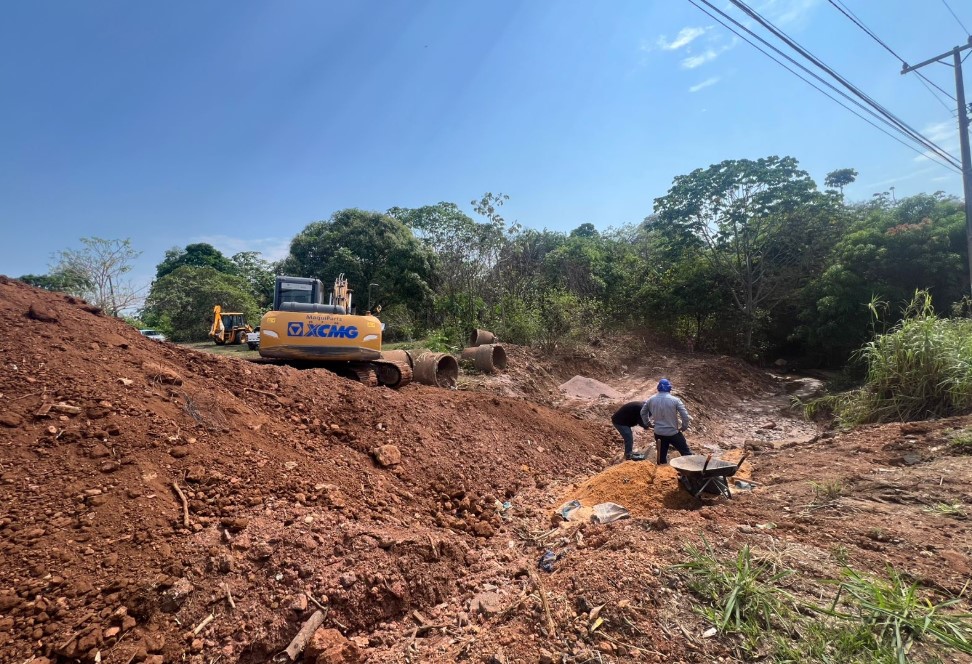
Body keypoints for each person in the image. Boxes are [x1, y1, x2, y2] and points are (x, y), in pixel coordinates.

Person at [641, 378, 692, 464]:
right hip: (673, 433)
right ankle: (691, 473)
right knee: (686, 454)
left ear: (658, 388)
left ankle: (662, 473)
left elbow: (643, 412)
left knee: (661, 456)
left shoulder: (651, 399)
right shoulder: (675, 400)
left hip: (659, 433)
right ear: (669, 388)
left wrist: (648, 423)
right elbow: (685, 415)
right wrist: (684, 426)